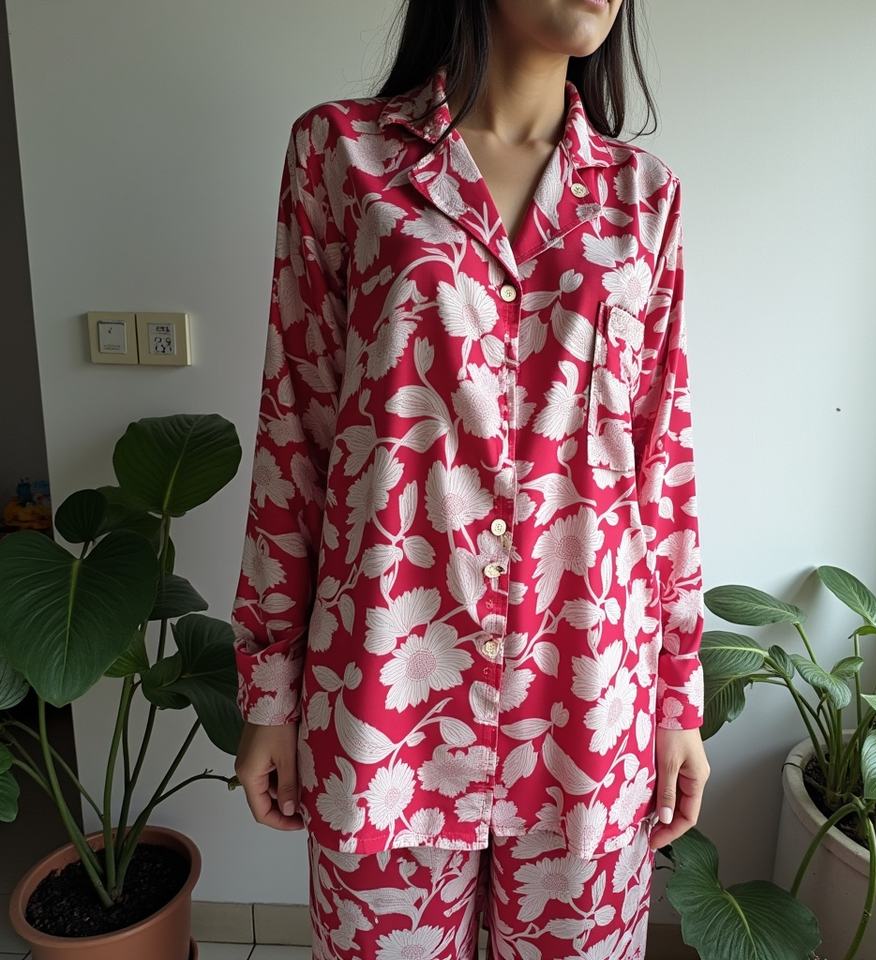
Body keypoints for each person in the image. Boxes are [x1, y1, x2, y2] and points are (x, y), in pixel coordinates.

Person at [230, 1, 710, 956]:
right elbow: (296, 435)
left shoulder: (643, 197)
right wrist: (270, 691)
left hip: (588, 700)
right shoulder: (343, 157)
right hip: (384, 694)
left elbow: (663, 466)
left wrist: (677, 701)